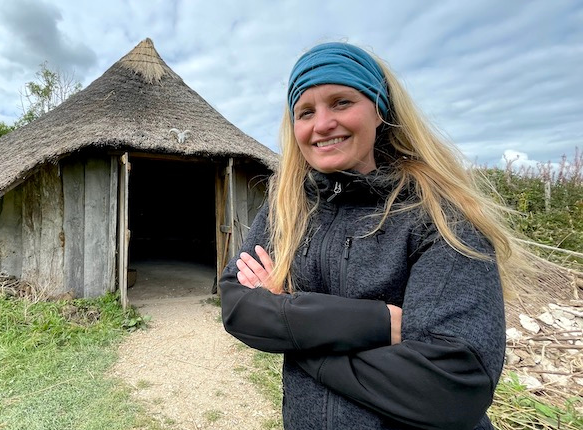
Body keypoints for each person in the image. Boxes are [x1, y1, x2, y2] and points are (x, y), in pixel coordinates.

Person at [220, 41, 529, 429]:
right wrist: (378, 323)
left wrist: (291, 328)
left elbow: (452, 386)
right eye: (306, 112)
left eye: (342, 102)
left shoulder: (437, 213)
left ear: (380, 109)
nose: (322, 124)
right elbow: (236, 306)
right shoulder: (289, 205)